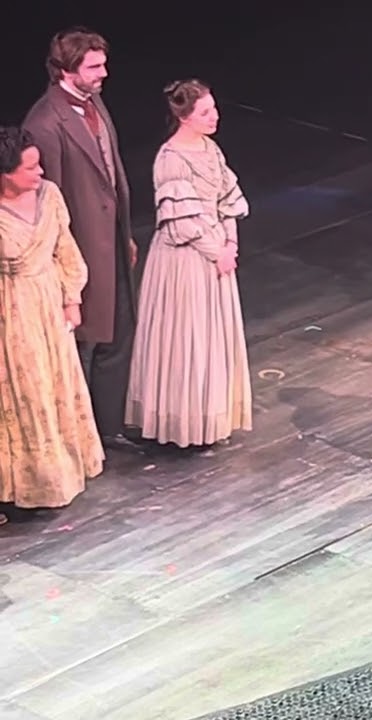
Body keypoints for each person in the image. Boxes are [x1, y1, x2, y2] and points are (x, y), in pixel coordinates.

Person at [23, 27, 138, 448]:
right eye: (94, 67)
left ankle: (109, 428)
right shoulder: (45, 124)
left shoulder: (96, 103)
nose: (104, 73)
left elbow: (111, 171)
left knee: (119, 333)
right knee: (83, 343)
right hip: (81, 250)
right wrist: (64, 266)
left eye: (103, 63)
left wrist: (124, 233)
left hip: (112, 240)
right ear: (66, 72)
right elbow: (48, 199)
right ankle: (80, 435)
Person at [125, 80, 252, 448]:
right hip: (187, 259)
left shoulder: (210, 149)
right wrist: (218, 251)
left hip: (216, 254)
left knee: (211, 336)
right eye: (205, 112)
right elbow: (183, 223)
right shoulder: (170, 158)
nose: (215, 117)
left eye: (213, 109)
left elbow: (228, 199)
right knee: (187, 337)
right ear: (183, 116)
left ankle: (210, 418)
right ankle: (183, 422)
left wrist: (230, 242)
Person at [0, 127, 104, 525]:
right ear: (6, 173)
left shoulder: (50, 196)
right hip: (12, 311)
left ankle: (60, 476)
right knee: (25, 395)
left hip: (48, 303)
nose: (39, 172)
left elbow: (66, 248)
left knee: (55, 385)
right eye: (29, 167)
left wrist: (72, 297)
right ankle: (25, 486)